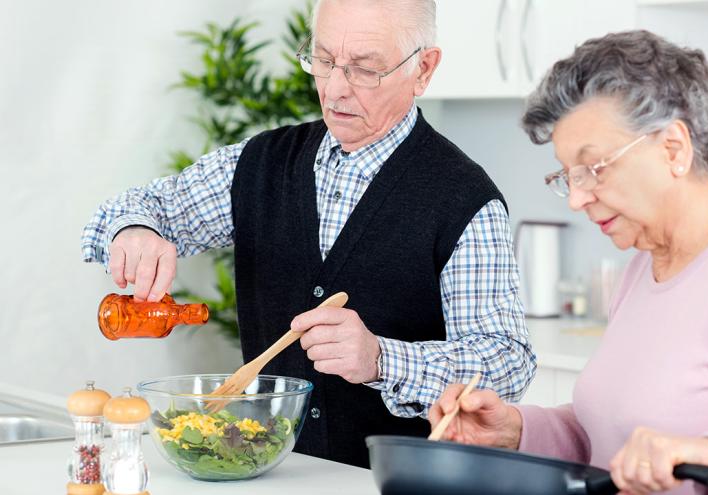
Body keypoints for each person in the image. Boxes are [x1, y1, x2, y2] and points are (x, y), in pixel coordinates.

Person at [81, 0, 535, 468]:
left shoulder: (464, 198)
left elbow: (508, 364)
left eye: (363, 68)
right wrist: (136, 229)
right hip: (271, 475)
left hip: (394, 481)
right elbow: (129, 211)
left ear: (423, 69)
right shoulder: (259, 163)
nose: (335, 89)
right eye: (323, 61)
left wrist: (382, 359)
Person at [429, 30, 708, 493]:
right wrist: (517, 429)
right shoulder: (645, 264)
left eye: (594, 169)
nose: (577, 198)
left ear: (673, 148)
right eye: (568, 176)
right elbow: (612, 437)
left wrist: (706, 453)